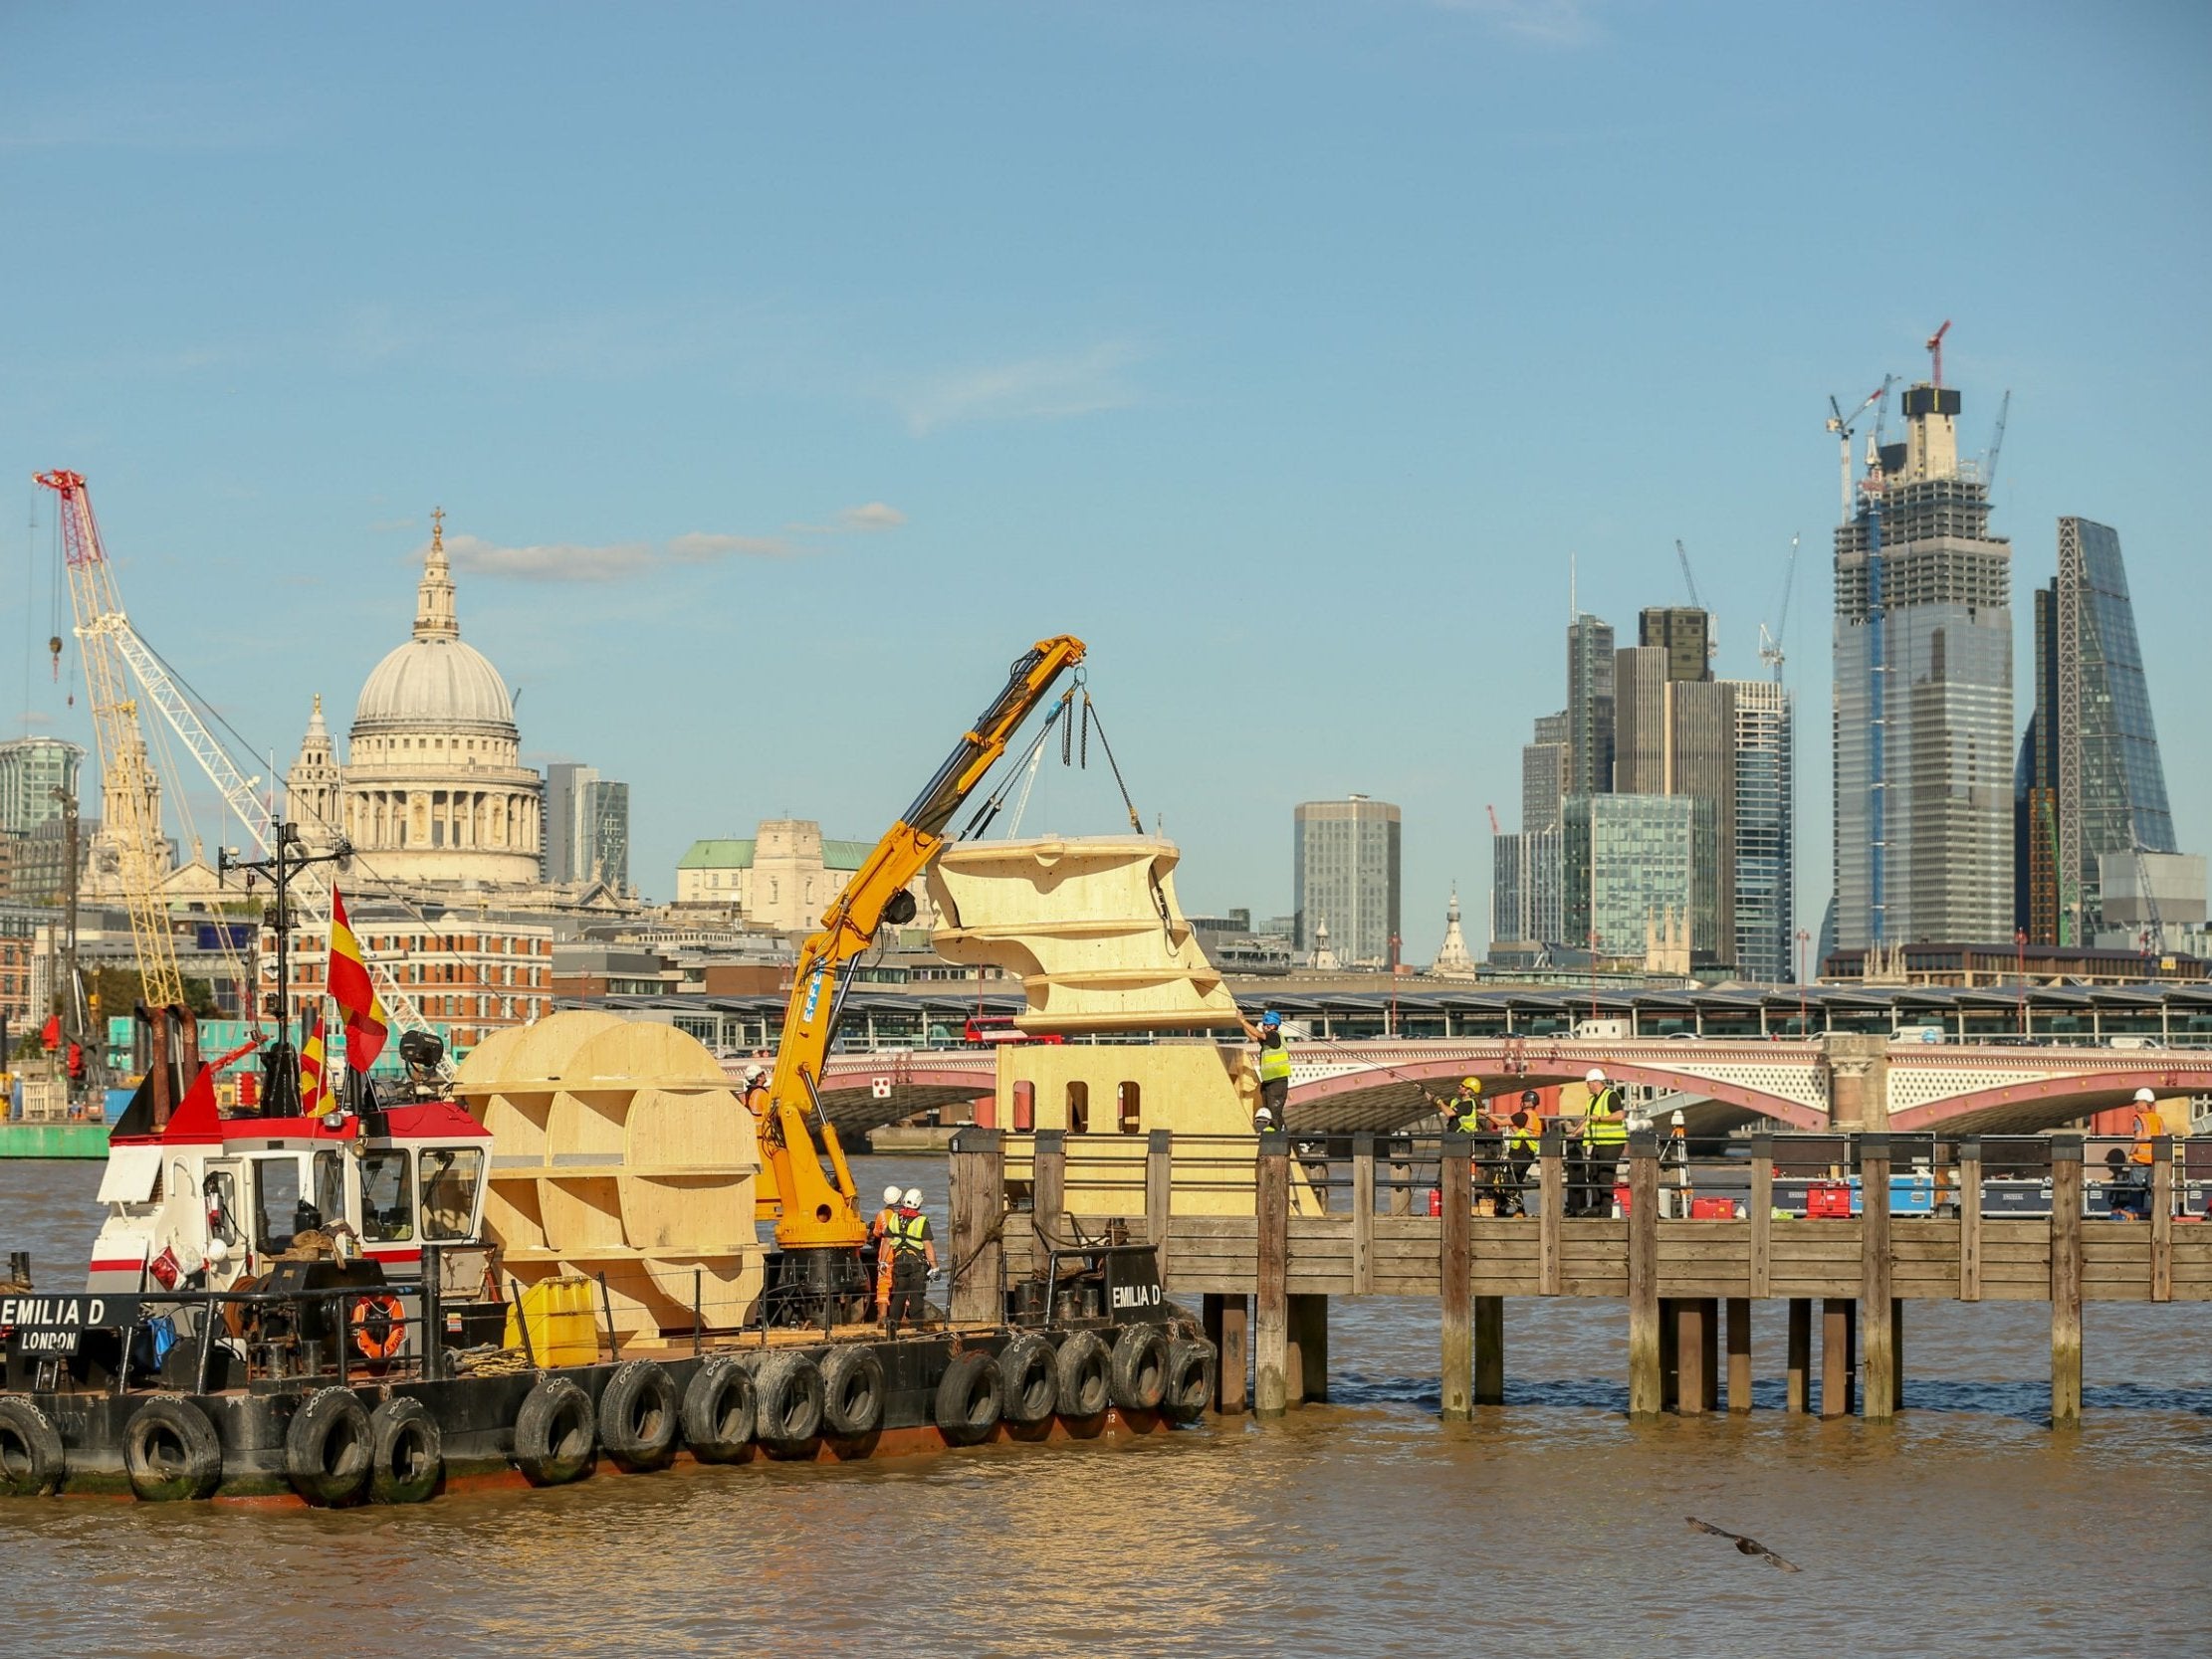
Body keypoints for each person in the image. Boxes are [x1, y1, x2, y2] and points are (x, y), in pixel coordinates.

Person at [883, 1185, 937, 1334]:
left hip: (899, 1262)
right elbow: (928, 1247)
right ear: (919, 1202)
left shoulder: (894, 1218)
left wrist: (882, 1262)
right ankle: (917, 1329)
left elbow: (887, 1242)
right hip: (917, 1265)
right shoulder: (921, 1221)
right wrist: (935, 1267)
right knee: (916, 1297)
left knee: (898, 1296)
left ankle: (893, 1328)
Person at [1580, 1067, 1627, 1217]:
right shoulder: (1591, 1100)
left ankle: (1606, 1212)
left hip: (1612, 1142)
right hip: (1598, 1143)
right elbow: (1587, 1120)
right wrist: (1573, 1133)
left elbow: (1619, 1115)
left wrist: (1600, 1119)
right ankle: (1596, 1208)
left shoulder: (1611, 1096)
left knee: (1605, 1177)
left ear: (1595, 1082)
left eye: (1588, 1083)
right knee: (1593, 1174)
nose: (1586, 1086)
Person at [1241, 1009, 1293, 1132]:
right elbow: (1254, 1037)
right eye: (1263, 1024)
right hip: (1269, 1081)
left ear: (1273, 1025)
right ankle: (1273, 1135)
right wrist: (1242, 1024)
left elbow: (1259, 1035)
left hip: (1277, 1081)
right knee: (1269, 1113)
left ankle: (1280, 1138)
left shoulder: (1273, 1036)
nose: (1264, 1027)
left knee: (1274, 1113)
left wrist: (1243, 1020)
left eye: (1266, 1025)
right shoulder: (1269, 1040)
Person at [867, 1184, 903, 1318]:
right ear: (899, 1199)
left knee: (883, 1284)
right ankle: (902, 1317)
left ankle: (881, 1316)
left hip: (886, 1256)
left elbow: (876, 1233)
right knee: (901, 1285)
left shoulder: (882, 1215)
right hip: (901, 1254)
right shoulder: (903, 1215)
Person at [1505, 1090, 1542, 1207]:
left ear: (1527, 1102)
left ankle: (1516, 1207)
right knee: (1517, 1181)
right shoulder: (1535, 1117)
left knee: (1511, 1180)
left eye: (1523, 1101)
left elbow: (1501, 1122)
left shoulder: (1523, 1115)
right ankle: (1518, 1209)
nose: (1521, 1103)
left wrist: (1486, 1115)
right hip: (1530, 1153)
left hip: (1520, 1153)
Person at [2129, 1088, 2166, 1167]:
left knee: (2135, 1180)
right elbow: (2162, 1136)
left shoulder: (2139, 1118)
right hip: (2155, 1160)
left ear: (2143, 1103)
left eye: (2137, 1102)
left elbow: (2138, 1138)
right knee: (2151, 1180)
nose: (2135, 1105)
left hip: (2140, 1160)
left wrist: (2131, 1154)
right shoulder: (2158, 1119)